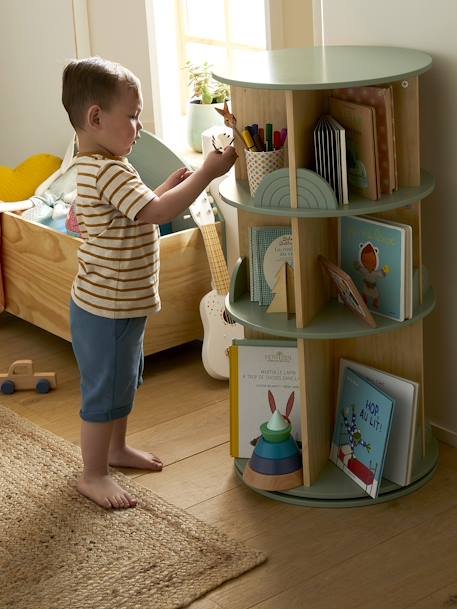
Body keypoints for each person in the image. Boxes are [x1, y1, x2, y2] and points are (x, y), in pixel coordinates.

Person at [61, 56, 237, 510]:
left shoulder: (98, 163)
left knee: (122, 382)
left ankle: (115, 451)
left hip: (117, 305)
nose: (140, 126)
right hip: (107, 309)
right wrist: (206, 174)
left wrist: (161, 188)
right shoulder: (109, 169)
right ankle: (93, 473)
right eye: (133, 115)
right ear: (96, 118)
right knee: (105, 391)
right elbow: (156, 216)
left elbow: (137, 211)